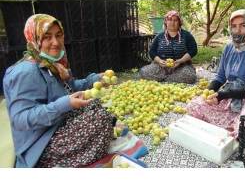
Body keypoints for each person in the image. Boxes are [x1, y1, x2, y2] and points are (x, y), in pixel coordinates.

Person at [3, 14, 117, 168]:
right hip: (40, 143)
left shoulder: (53, 64)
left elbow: (70, 87)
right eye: (47, 37)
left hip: (56, 124)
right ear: (35, 39)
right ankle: (55, 162)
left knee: (94, 105)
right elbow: (20, 119)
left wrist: (94, 80)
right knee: (100, 118)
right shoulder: (26, 72)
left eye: (58, 36)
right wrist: (65, 103)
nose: (55, 42)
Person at [186, 9, 245, 139]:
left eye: (243, 25)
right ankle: (234, 120)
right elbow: (220, 76)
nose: (238, 30)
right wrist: (209, 91)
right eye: (234, 26)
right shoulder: (229, 47)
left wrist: (224, 94)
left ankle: (238, 122)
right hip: (232, 94)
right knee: (194, 106)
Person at [140, 10, 198, 83]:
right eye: (170, 20)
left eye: (175, 20)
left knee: (189, 76)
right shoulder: (159, 36)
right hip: (161, 67)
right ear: (166, 22)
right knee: (145, 72)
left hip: (181, 66)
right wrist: (159, 61)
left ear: (179, 22)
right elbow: (152, 51)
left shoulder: (186, 35)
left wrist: (181, 60)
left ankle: (163, 78)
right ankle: (173, 78)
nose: (172, 22)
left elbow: (193, 50)